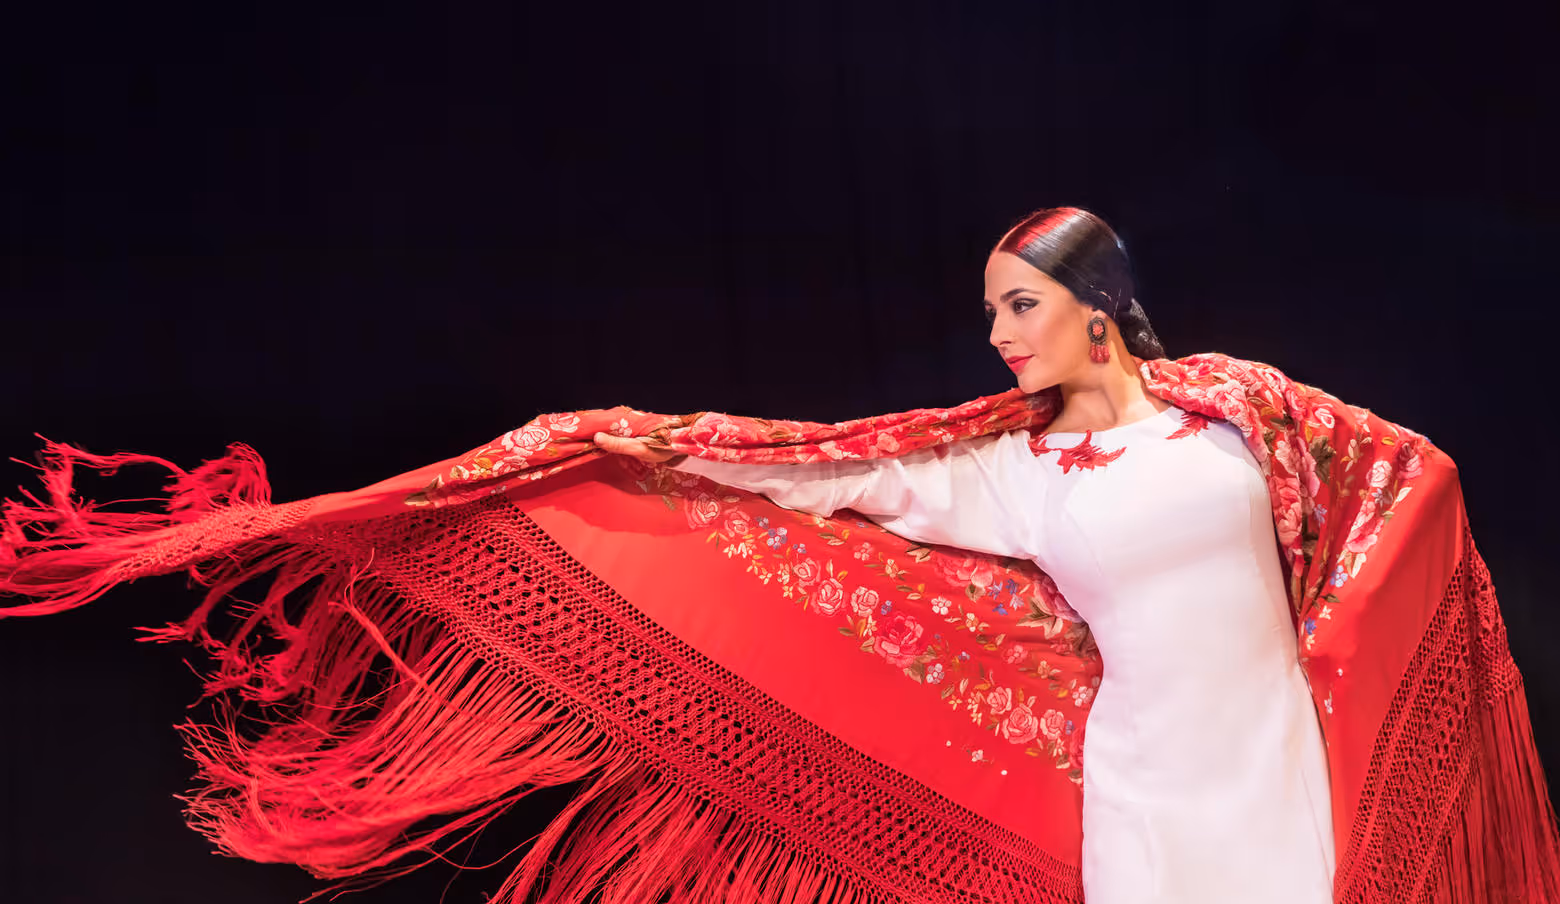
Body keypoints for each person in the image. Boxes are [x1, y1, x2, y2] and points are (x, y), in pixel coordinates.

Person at [596, 207, 1336, 902]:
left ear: (1095, 301)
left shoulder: (1240, 405)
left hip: (1287, 761)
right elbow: (850, 467)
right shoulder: (1019, 471)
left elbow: (1387, 482)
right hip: (1148, 791)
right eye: (992, 314)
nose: (998, 336)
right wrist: (688, 450)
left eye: (1020, 305)